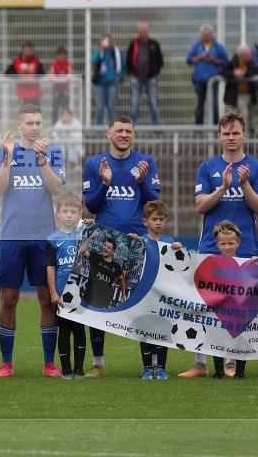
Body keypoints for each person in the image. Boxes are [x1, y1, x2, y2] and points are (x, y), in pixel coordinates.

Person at [181, 112, 258, 378]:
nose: (231, 137)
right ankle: (200, 364)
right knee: (206, 306)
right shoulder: (208, 167)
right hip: (210, 246)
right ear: (219, 136)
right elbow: (200, 207)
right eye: (226, 133)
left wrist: (244, 185)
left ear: (244, 135)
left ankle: (231, 362)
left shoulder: (257, 167)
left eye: (236, 133)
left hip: (244, 248)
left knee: (238, 307)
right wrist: (222, 188)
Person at [0, 103, 67, 378]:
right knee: (8, 299)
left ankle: (49, 364)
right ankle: (6, 364)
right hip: (12, 237)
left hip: (43, 238)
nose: (35, 127)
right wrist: (8, 158)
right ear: (19, 124)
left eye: (38, 123)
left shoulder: (53, 152)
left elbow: (57, 188)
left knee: (47, 300)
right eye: (30, 123)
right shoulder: (6, 151)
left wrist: (44, 161)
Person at [83, 116, 160, 376]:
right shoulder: (94, 164)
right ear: (109, 133)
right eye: (119, 130)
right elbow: (91, 206)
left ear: (134, 135)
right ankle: (98, 363)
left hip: (138, 243)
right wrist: (105, 183)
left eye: (128, 131)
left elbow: (153, 205)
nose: (124, 134)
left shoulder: (145, 163)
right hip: (105, 241)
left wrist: (142, 182)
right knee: (97, 302)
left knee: (144, 301)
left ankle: (149, 366)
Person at [137, 200, 180, 381]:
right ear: (145, 221)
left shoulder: (170, 242)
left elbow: (180, 267)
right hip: (145, 294)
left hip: (163, 295)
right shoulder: (140, 241)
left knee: (163, 329)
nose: (158, 222)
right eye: (154, 219)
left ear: (166, 221)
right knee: (145, 329)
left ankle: (161, 367)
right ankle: (147, 367)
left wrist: (179, 251)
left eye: (162, 219)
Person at [209, 221, 257, 380]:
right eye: (223, 243)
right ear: (217, 244)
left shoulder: (247, 263)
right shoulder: (212, 263)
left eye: (231, 243)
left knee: (242, 338)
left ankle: (240, 372)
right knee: (217, 337)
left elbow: (255, 281)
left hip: (240, 311)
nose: (227, 246)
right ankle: (219, 372)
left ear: (238, 243)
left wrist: (257, 264)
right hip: (219, 310)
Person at [46, 193, 86, 379]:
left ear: (79, 214)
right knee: (64, 331)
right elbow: (51, 268)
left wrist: (89, 225)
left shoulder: (83, 236)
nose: (69, 215)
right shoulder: (52, 239)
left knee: (79, 331)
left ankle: (79, 369)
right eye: (65, 211)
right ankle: (66, 369)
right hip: (61, 295)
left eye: (73, 212)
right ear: (58, 214)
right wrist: (53, 292)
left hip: (81, 293)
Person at [187, 24, 229, 125]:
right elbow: (189, 60)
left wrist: (212, 59)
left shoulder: (218, 47)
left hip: (213, 80)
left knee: (214, 104)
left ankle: (215, 127)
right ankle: (198, 129)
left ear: (212, 34)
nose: (206, 37)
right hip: (199, 80)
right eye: (204, 35)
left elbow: (225, 61)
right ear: (201, 35)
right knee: (199, 105)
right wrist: (200, 57)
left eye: (208, 35)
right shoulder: (196, 46)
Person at [125, 22, 163, 125]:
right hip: (136, 77)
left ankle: (155, 127)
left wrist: (155, 72)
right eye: (141, 30)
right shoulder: (133, 44)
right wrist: (130, 72)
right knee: (134, 103)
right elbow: (128, 59)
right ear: (138, 31)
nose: (142, 32)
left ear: (147, 31)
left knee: (153, 102)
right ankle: (133, 127)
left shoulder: (154, 44)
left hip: (150, 78)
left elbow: (160, 60)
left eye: (144, 30)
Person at [77, 230, 126, 309]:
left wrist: (123, 296)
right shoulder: (95, 257)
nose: (105, 248)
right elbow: (83, 250)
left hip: (102, 305)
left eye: (108, 247)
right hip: (87, 300)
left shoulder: (116, 267)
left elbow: (122, 281)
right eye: (105, 245)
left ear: (113, 251)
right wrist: (91, 237)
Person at [90, 34, 123, 126]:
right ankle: (99, 128)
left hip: (112, 83)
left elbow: (122, 66)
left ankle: (112, 128)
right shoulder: (99, 51)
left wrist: (119, 77)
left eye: (108, 41)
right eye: (105, 41)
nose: (107, 43)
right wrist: (101, 49)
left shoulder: (115, 52)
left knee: (111, 106)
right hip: (99, 83)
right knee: (99, 106)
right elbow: (92, 60)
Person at [221, 44, 257, 130]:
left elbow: (254, 71)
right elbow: (223, 72)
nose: (250, 56)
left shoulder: (251, 63)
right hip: (232, 93)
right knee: (231, 116)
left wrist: (244, 74)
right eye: (248, 54)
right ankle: (230, 135)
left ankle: (244, 136)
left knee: (244, 114)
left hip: (246, 93)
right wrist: (234, 73)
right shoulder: (232, 62)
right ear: (242, 55)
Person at [5, 42, 45, 106]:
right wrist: (18, 75)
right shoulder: (16, 61)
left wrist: (34, 74)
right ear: (23, 50)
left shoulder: (36, 61)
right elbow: (7, 73)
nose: (29, 51)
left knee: (36, 114)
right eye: (27, 49)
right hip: (22, 94)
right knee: (24, 114)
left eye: (31, 49)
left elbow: (42, 73)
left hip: (35, 94)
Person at [50, 107, 83, 172]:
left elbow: (79, 134)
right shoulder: (59, 123)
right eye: (64, 115)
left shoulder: (76, 122)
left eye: (67, 115)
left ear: (71, 116)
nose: (66, 117)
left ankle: (73, 164)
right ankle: (62, 165)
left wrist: (70, 137)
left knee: (72, 146)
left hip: (74, 144)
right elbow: (54, 134)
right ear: (62, 116)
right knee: (60, 147)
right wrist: (59, 137)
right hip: (62, 144)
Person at [49, 47, 73, 122]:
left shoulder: (68, 63)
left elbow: (69, 74)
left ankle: (65, 126)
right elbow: (51, 75)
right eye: (59, 55)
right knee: (55, 109)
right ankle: (54, 126)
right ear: (56, 55)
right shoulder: (54, 64)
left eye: (62, 55)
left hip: (65, 90)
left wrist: (67, 76)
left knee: (65, 109)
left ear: (65, 55)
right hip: (56, 90)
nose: (61, 57)